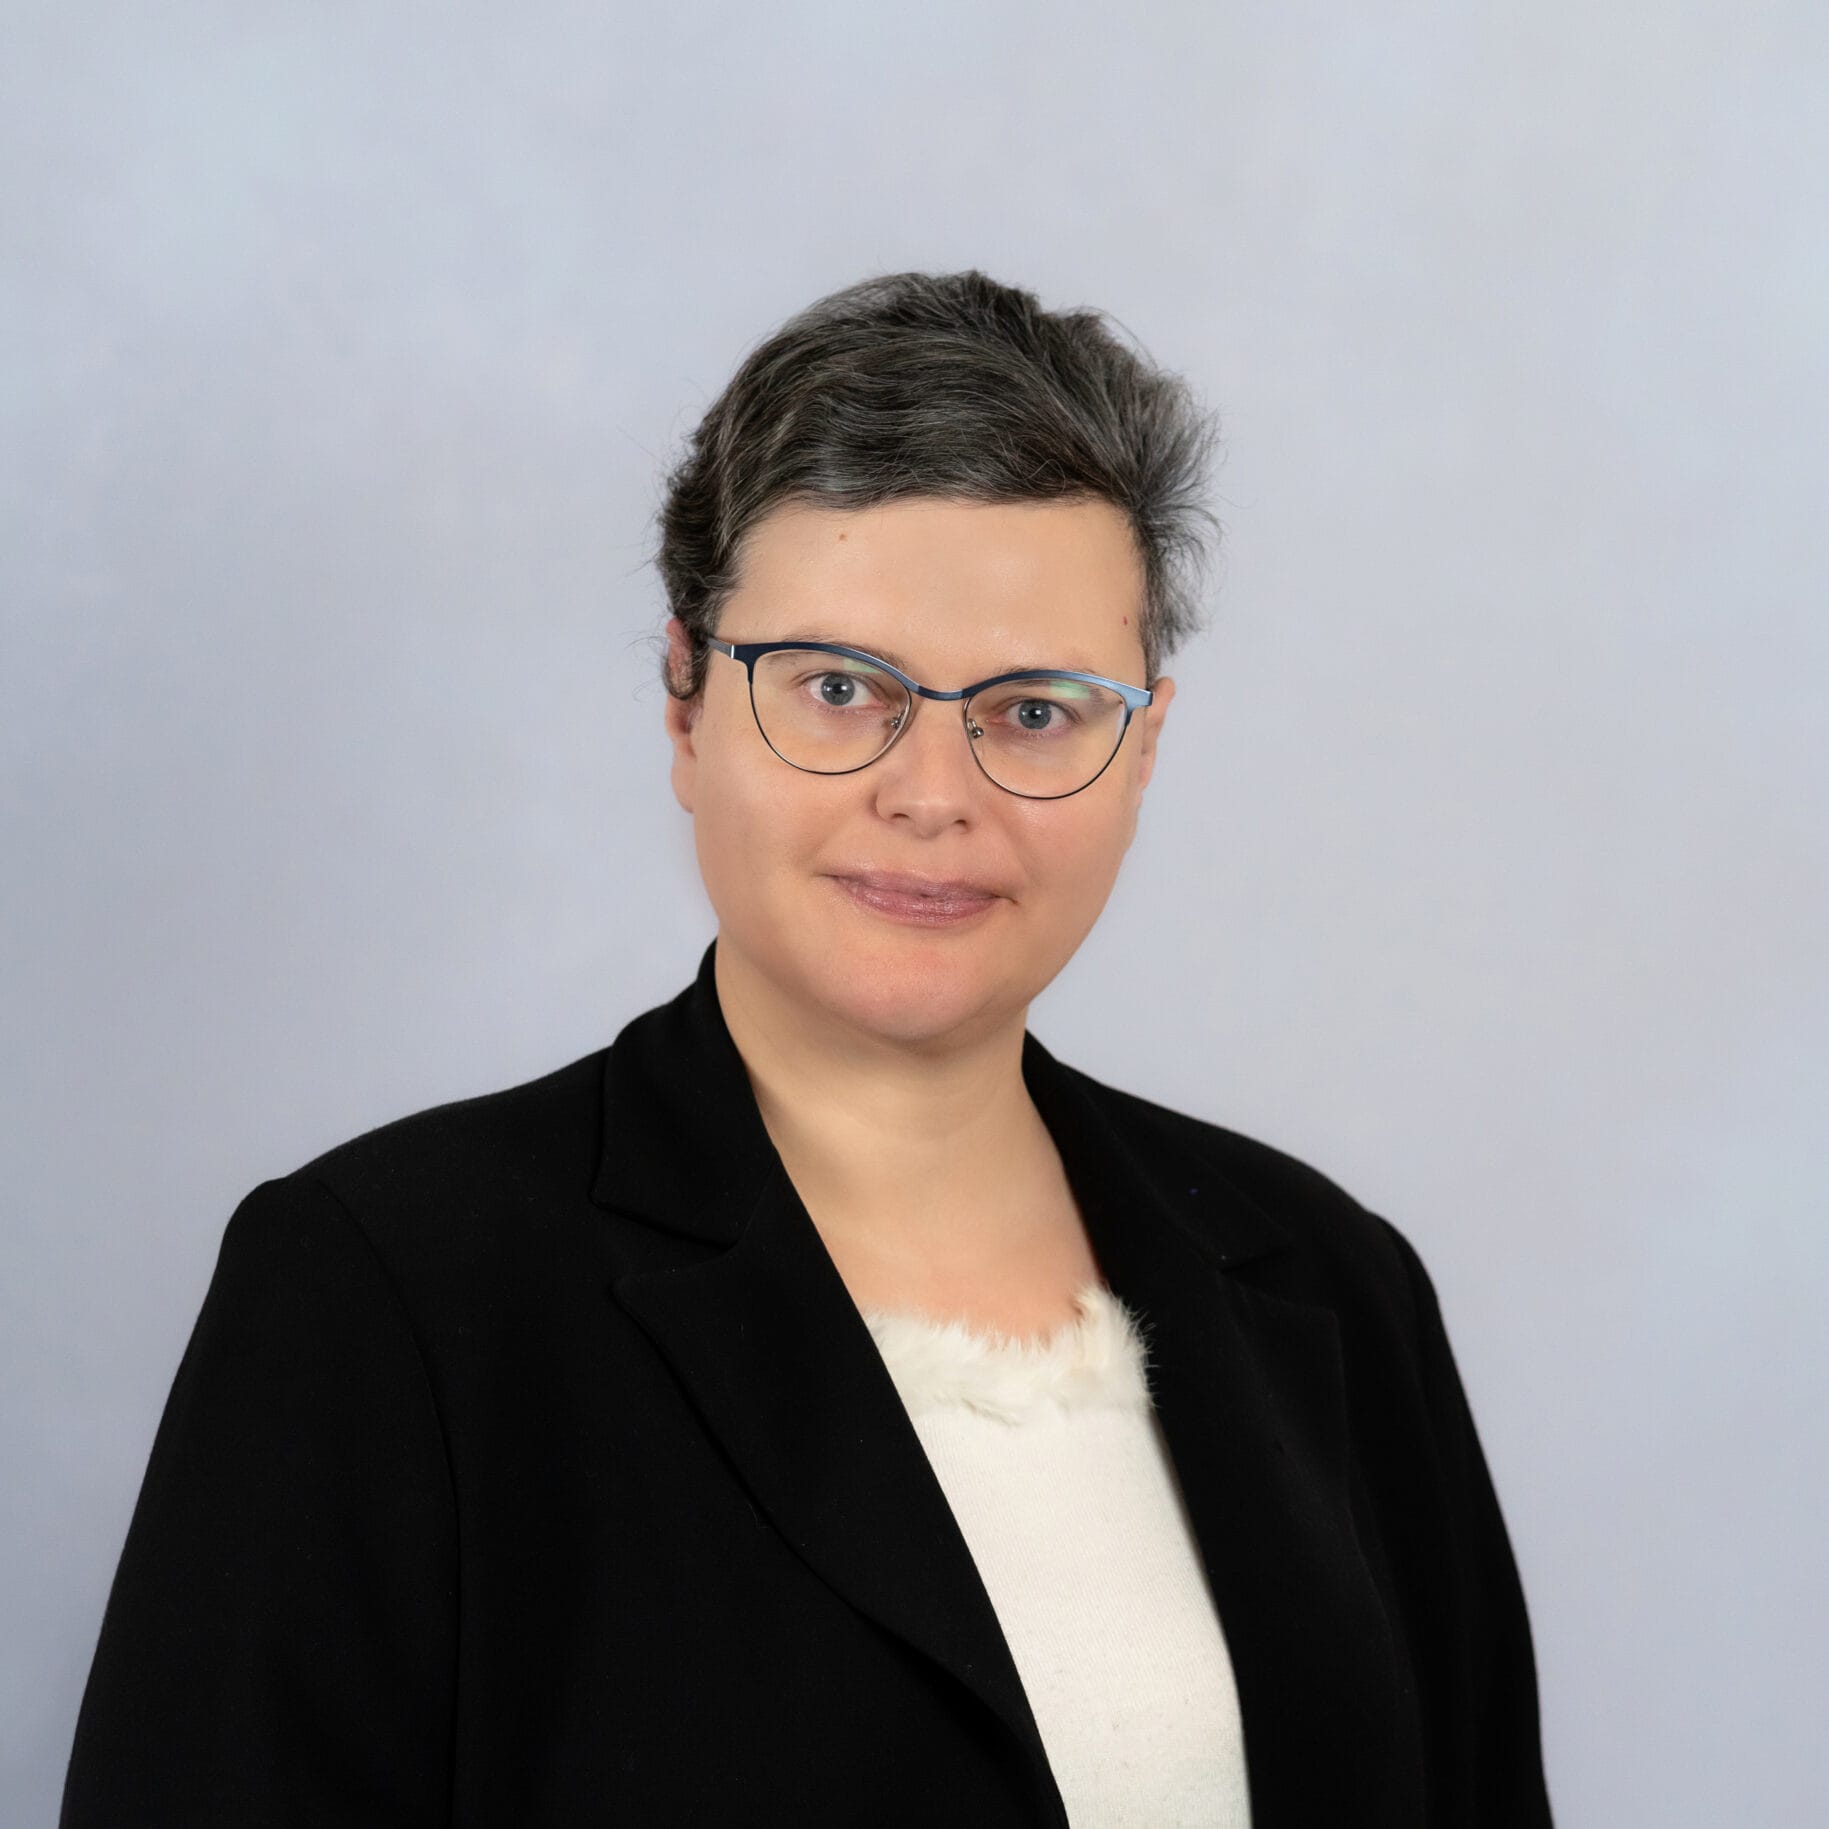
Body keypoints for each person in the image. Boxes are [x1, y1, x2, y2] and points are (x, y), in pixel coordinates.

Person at [61, 270, 1553, 1827]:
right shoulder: (387, 1293)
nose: (932, 793)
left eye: (1034, 710)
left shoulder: (1330, 1280)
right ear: (682, 703)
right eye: (838, 690)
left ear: (1142, 746)